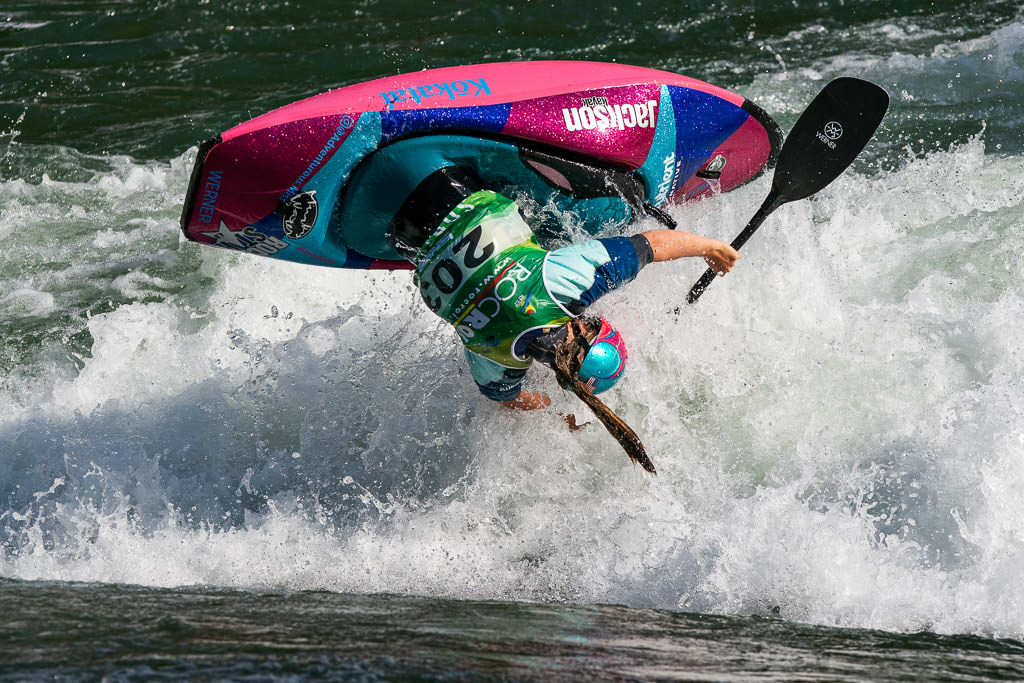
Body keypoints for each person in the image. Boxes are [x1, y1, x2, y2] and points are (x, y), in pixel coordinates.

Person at [384, 162, 740, 472]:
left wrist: (711, 247)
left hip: (450, 184)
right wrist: (556, 415)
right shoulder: (498, 359)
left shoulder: (564, 287)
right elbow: (505, 398)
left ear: (591, 328)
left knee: (567, 223)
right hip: (400, 238)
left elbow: (651, 245)